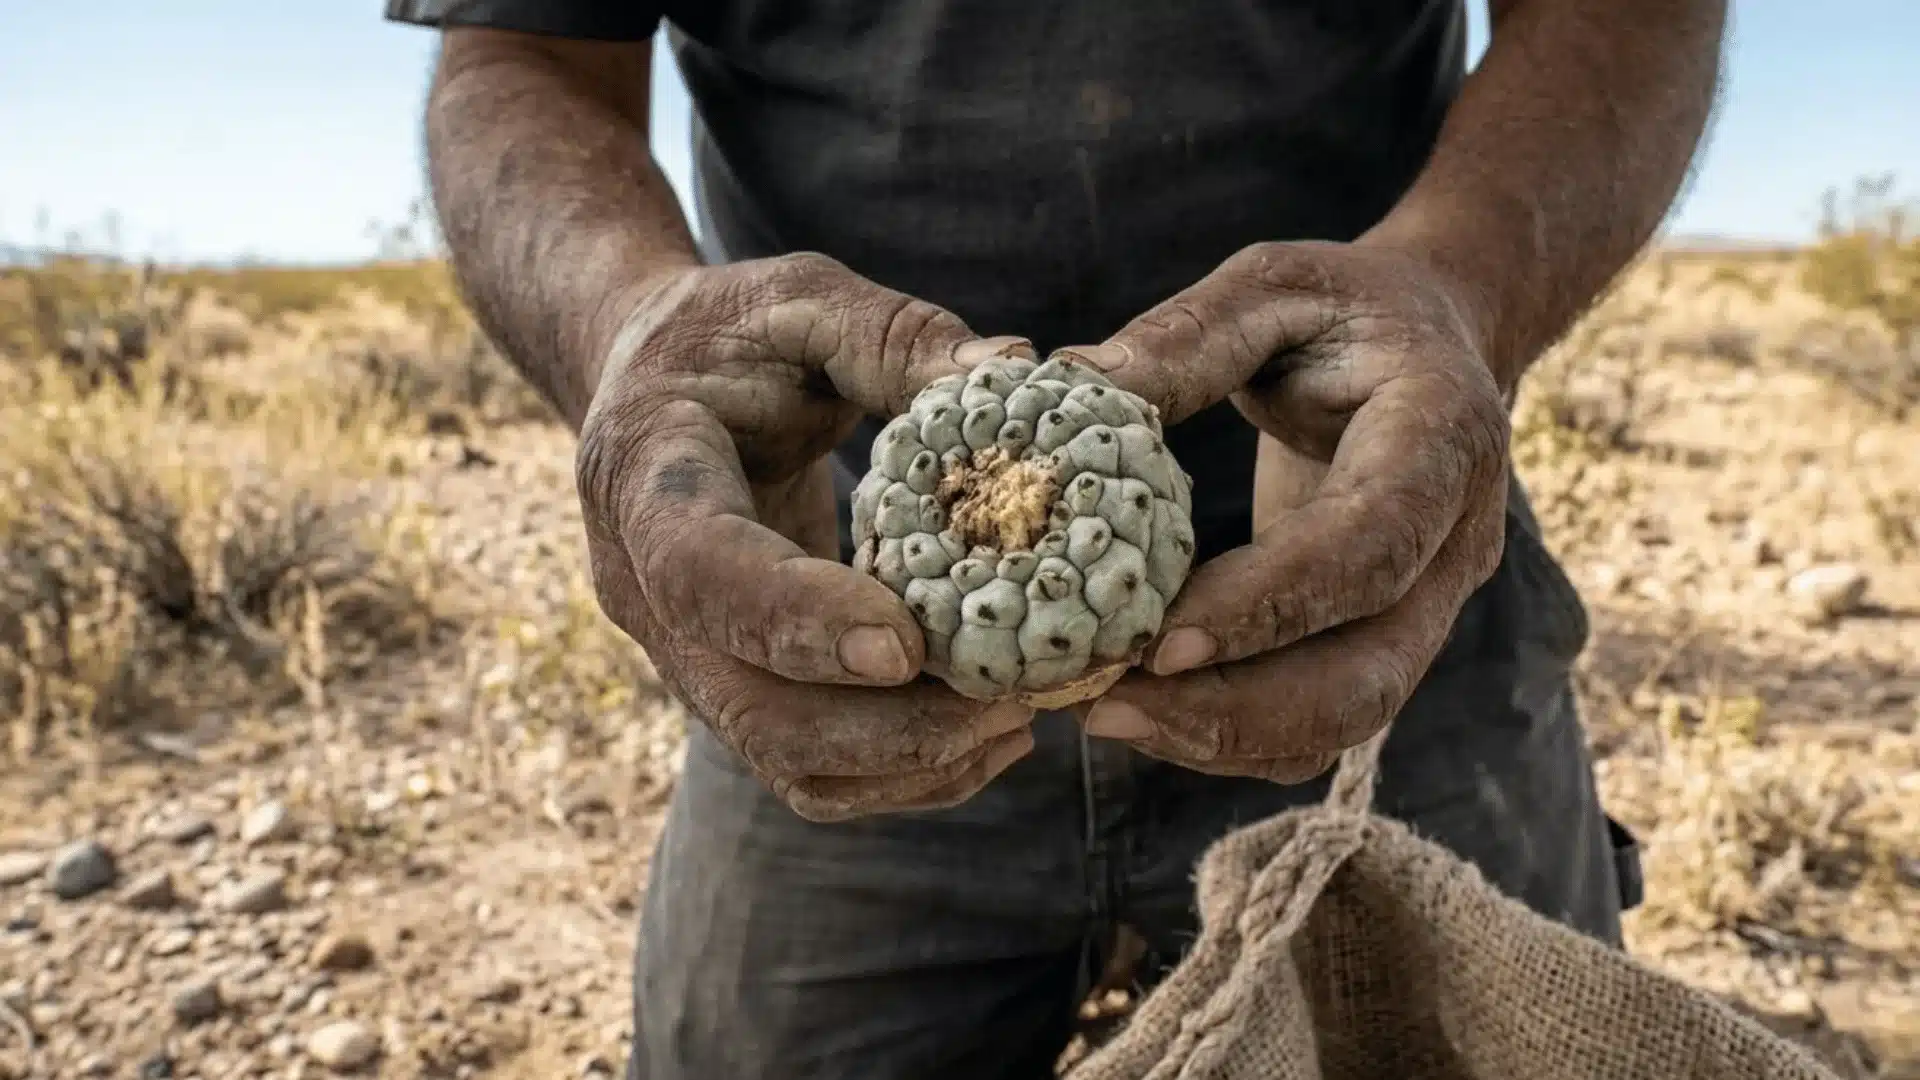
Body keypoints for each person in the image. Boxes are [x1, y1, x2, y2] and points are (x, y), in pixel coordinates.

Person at [385, 2, 1727, 1076]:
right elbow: (522, 51)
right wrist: (627, 329)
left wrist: (1462, 289)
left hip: (1385, 569)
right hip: (835, 617)